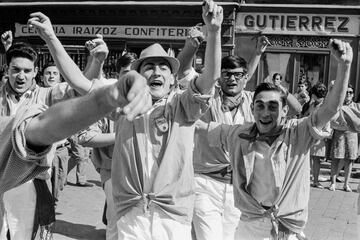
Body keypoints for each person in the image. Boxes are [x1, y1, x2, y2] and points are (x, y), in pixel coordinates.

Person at [196, 38, 352, 239]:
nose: (265, 112)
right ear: (252, 109)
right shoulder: (240, 134)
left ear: (285, 110)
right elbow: (198, 127)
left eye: (273, 106)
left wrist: (344, 66)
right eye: (260, 106)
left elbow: (330, 108)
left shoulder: (298, 133)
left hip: (286, 228)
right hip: (249, 225)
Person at [111, 1, 222, 239]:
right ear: (139, 77)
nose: (157, 72)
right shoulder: (124, 106)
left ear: (172, 80)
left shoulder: (182, 105)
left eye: (164, 68)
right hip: (132, 211)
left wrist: (213, 32)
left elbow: (210, 77)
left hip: (171, 212)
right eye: (149, 67)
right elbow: (82, 86)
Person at [0, 13, 106, 239]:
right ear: (6, 70)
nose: (21, 76)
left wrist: (95, 61)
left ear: (35, 72)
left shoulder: (46, 96)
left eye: (27, 71)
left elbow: (80, 90)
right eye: (15, 69)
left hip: (30, 185)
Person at [329, 84, 358, 192]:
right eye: (346, 92)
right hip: (339, 134)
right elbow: (333, 120)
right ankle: (333, 183)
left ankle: (346, 184)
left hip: (352, 135)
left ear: (353, 94)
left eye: (350, 92)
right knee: (336, 158)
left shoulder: (356, 106)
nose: (348, 94)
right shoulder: (338, 105)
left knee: (350, 159)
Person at [302, 83, 330, 189]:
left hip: (320, 134)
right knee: (307, 158)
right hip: (309, 134)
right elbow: (305, 116)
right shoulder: (312, 105)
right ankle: (308, 179)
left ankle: (315, 180)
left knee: (316, 159)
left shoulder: (324, 105)